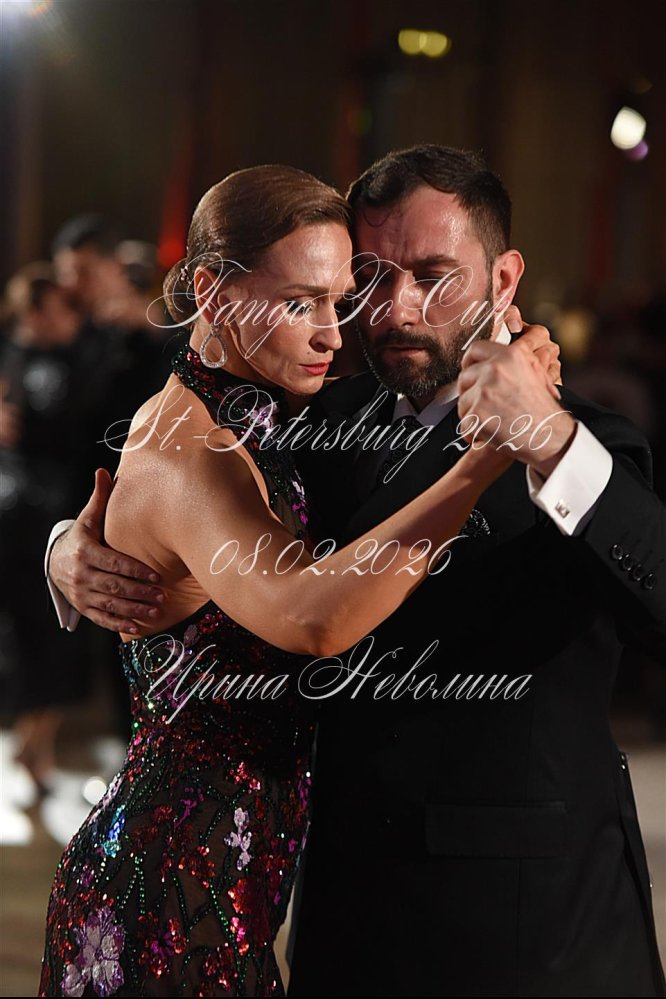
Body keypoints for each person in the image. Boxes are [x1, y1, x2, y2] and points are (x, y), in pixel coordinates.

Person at [48, 146, 666, 998]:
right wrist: (67, 548)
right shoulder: (312, 416)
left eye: (434, 276)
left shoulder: (586, 442)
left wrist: (549, 439)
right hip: (337, 921)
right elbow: (171, 483)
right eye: (370, 278)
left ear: (504, 279)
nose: (395, 309)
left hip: (530, 936)